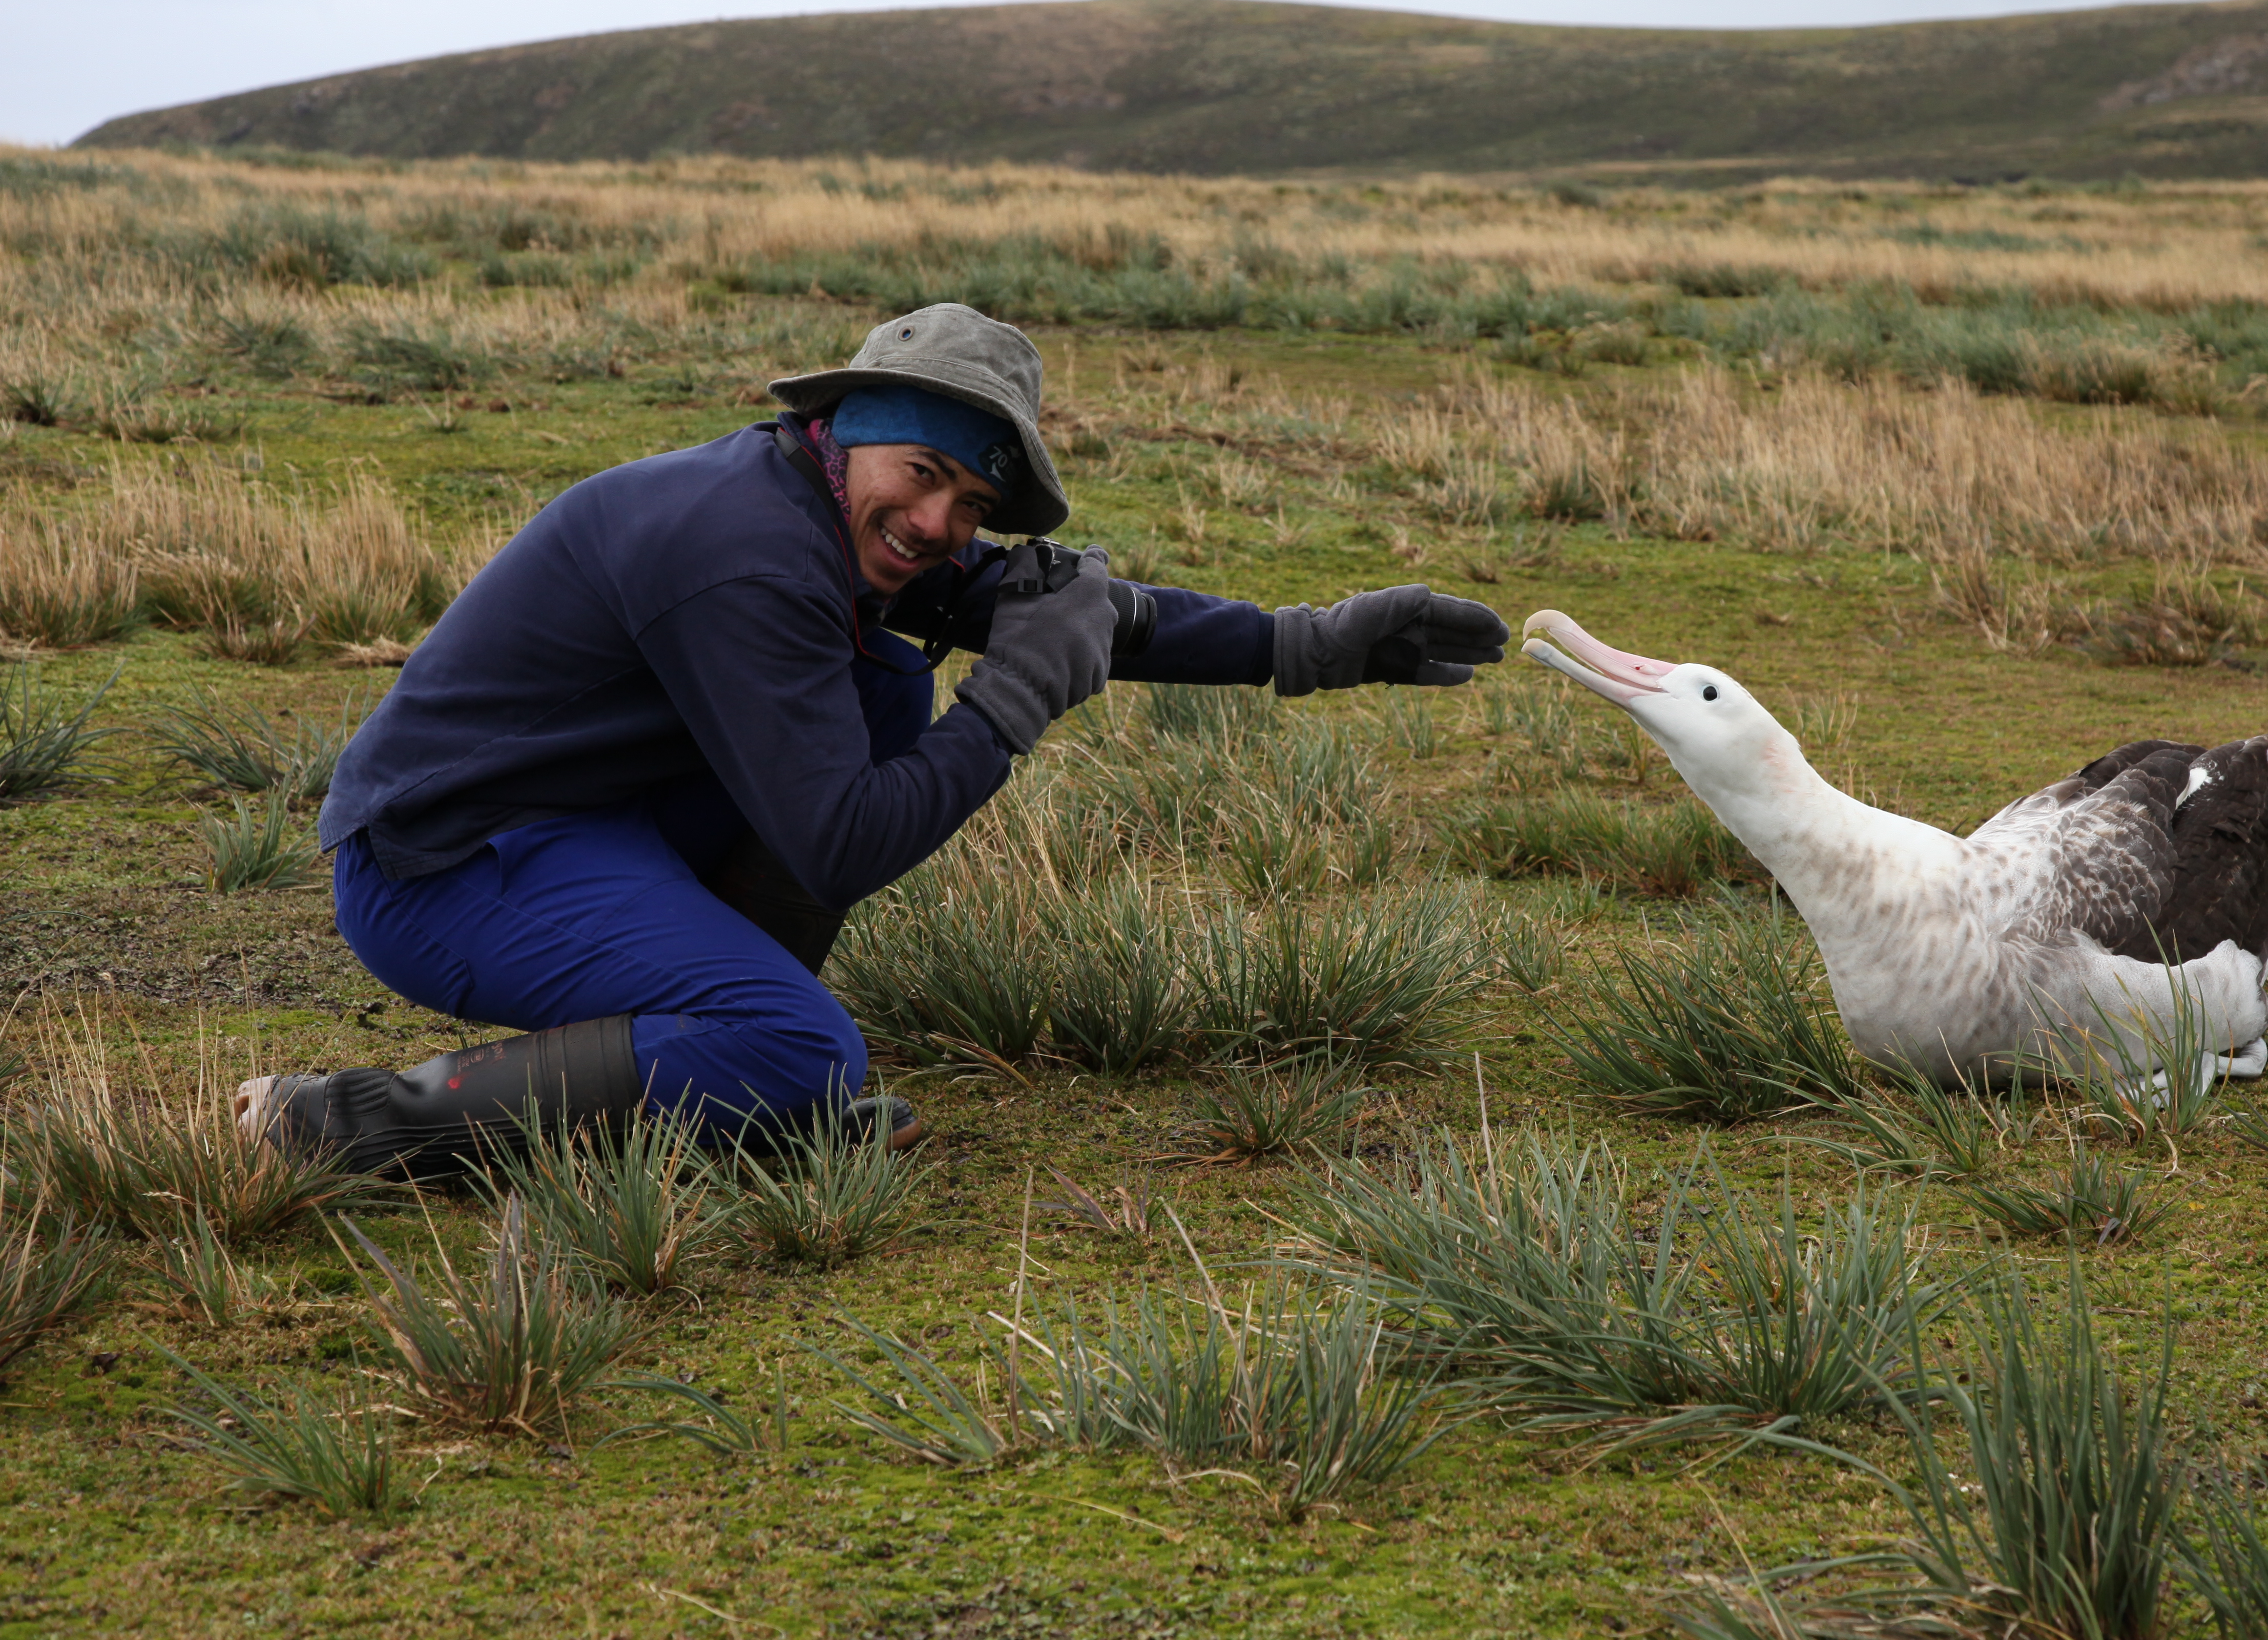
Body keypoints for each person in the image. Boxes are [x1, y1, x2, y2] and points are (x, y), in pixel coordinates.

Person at [244, 303, 1508, 1178]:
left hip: (582, 827)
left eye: (972, 503)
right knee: (800, 1048)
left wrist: (1310, 644)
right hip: (445, 870)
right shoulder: (743, 554)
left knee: (885, 697)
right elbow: (839, 843)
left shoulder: (822, 502)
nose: (939, 520)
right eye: (923, 473)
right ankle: (343, 1122)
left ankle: (732, 1097)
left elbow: (1072, 614)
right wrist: (1009, 708)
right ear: (847, 428)